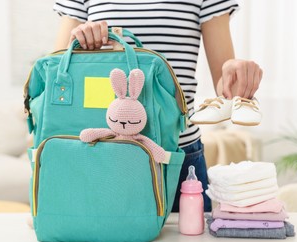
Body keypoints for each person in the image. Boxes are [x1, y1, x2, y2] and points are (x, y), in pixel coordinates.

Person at [53, 0, 263, 212]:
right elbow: (56, 73)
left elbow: (225, 87)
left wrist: (236, 73)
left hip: (177, 155)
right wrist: (83, 42)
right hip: (100, 152)